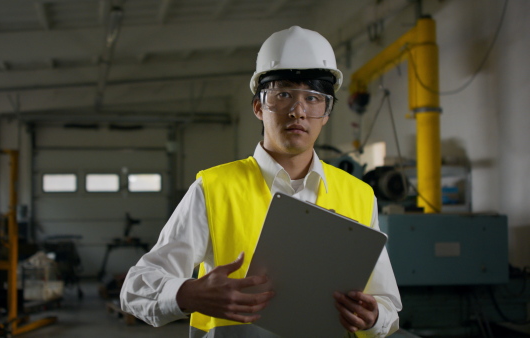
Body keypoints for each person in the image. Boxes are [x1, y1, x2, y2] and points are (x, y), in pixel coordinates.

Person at [120, 26, 402, 337]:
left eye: (313, 98)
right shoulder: (214, 188)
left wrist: (374, 318)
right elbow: (135, 289)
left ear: (326, 113)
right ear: (258, 107)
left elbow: (387, 305)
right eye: (283, 95)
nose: (298, 111)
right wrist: (188, 293)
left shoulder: (360, 195)